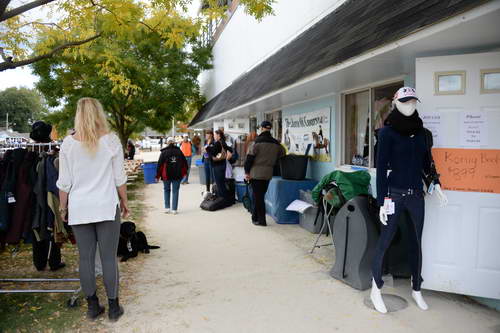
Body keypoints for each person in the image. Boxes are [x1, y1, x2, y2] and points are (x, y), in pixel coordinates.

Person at [371, 87, 448, 314]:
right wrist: (382, 200)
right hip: (393, 194)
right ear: (396, 103)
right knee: (385, 241)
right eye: (405, 102)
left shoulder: (423, 133)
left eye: (413, 101)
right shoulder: (386, 134)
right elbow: (382, 168)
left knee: (416, 241)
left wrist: (436, 185)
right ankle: (376, 288)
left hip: (416, 195)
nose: (410, 105)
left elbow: (427, 163)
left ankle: (416, 288)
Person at [57, 97, 128, 322]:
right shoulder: (111, 141)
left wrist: (62, 207)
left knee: (85, 259)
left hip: (80, 208)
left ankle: (92, 306)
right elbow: (119, 177)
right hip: (106, 205)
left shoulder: (67, 144)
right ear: (99, 113)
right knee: (108, 258)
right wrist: (124, 201)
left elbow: (64, 182)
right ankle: (114, 307)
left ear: (78, 115)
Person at [244, 121, 285, 226]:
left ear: (261, 128)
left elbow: (249, 158)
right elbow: (283, 154)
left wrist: (247, 172)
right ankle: (255, 217)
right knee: (260, 195)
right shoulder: (276, 143)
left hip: (255, 173)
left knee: (258, 197)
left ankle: (261, 220)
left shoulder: (256, 142)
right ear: (270, 129)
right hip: (268, 174)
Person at [156, 137, 188, 215]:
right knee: (175, 191)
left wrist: (157, 176)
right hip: (177, 175)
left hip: (166, 175)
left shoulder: (163, 152)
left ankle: (167, 208)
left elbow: (159, 165)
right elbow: (185, 164)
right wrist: (184, 173)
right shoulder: (179, 151)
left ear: (167, 143)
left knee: (166, 190)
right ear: (174, 143)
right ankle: (174, 209)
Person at [206, 129, 233, 202]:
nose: (214, 136)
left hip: (218, 165)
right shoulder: (223, 142)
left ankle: (224, 199)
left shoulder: (218, 143)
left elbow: (213, 152)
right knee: (221, 183)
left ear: (218, 135)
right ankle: (225, 198)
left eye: (215, 135)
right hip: (222, 164)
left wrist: (207, 147)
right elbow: (230, 150)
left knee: (219, 183)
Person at [202, 130, 215, 197]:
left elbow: (210, 150)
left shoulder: (213, 142)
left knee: (212, 176)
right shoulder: (205, 141)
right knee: (207, 176)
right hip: (205, 160)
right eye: (206, 134)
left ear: (211, 135)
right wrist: (205, 149)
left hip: (210, 160)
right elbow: (203, 150)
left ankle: (213, 191)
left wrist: (206, 149)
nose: (206, 136)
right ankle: (207, 190)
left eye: (207, 134)